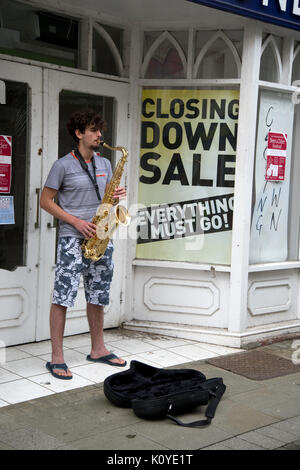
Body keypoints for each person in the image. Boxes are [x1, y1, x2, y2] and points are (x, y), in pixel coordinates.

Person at [40, 109, 127, 380]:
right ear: (79, 134)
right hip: (72, 236)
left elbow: (105, 200)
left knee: (98, 294)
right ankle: (56, 357)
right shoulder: (62, 165)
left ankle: (98, 349)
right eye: (93, 130)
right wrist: (75, 222)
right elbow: (45, 201)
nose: (99, 135)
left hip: (100, 236)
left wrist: (116, 198)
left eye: (99, 130)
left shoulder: (105, 164)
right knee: (63, 296)